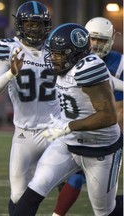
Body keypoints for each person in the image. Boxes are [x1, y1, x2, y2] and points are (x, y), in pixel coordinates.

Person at [11, 23, 123, 216]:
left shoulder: (89, 68)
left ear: (75, 54)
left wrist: (68, 127)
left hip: (100, 148)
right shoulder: (68, 65)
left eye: (59, 54)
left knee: (105, 212)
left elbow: (108, 116)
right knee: (33, 191)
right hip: (67, 143)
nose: (53, 58)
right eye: (52, 52)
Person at [0, 1, 60, 215]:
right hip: (24, 133)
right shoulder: (7, 47)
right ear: (20, 25)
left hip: (57, 131)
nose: (35, 28)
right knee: (18, 196)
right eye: (29, 23)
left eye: (39, 24)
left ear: (47, 25)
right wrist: (11, 73)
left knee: (74, 180)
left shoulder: (57, 48)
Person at [52, 17, 124, 216]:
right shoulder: (73, 58)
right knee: (68, 179)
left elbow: (118, 111)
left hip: (106, 136)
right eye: (92, 39)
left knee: (84, 186)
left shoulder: (119, 65)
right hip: (78, 130)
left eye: (100, 40)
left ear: (110, 40)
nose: (95, 44)